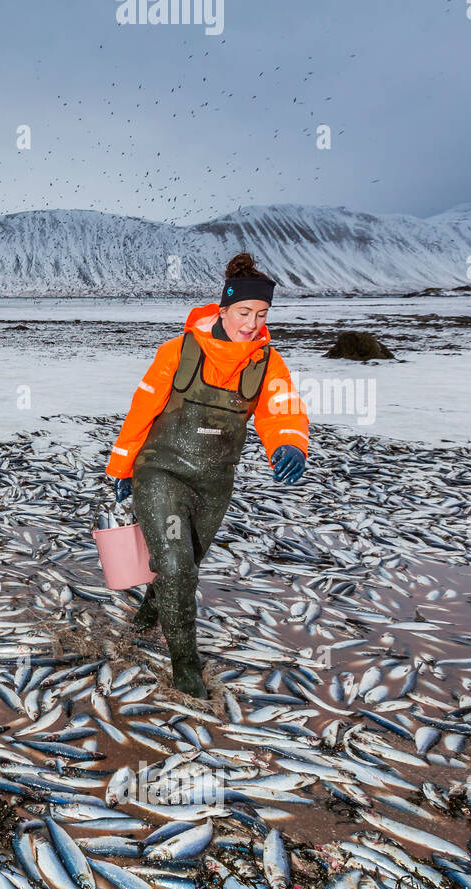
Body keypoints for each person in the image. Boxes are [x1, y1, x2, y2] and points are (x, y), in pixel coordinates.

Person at [106, 252, 310, 699]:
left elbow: (282, 409)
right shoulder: (178, 351)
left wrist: (290, 443)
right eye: (244, 312)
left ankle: (145, 617)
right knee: (177, 566)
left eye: (261, 314)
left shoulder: (266, 362)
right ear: (222, 310)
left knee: (184, 564)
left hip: (214, 482)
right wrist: (122, 466)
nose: (252, 323)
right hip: (161, 472)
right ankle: (186, 667)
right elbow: (143, 409)